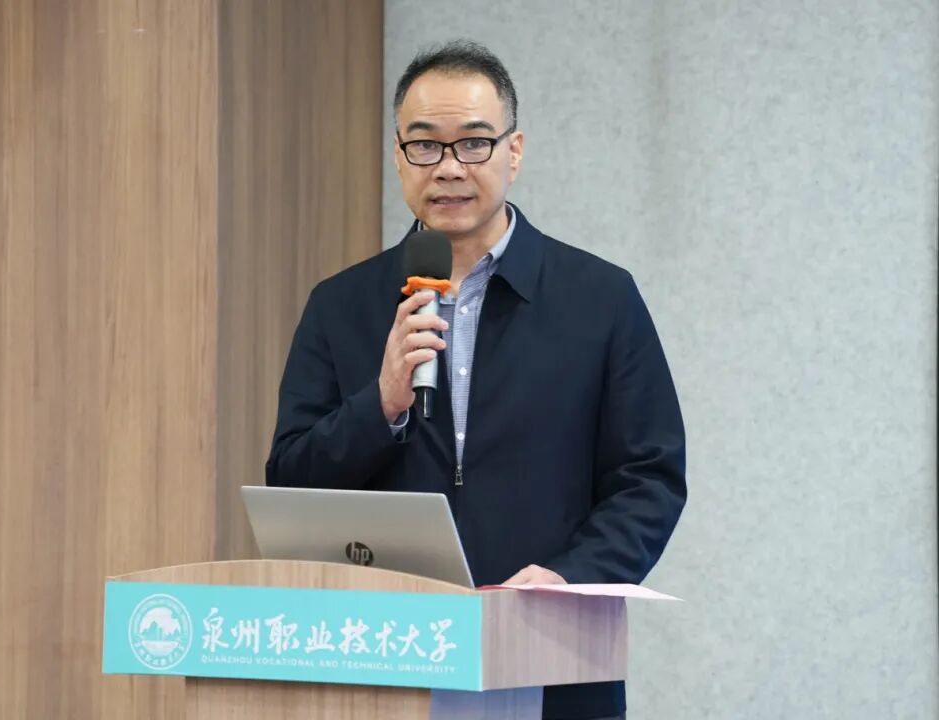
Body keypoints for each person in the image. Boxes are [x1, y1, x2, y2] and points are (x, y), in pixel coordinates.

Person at [265, 40, 686, 720]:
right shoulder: (339, 305)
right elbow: (289, 482)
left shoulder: (600, 298)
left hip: (551, 657)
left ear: (514, 151)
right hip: (384, 663)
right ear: (398, 157)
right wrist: (380, 407)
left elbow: (650, 478)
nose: (449, 167)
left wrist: (570, 576)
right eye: (425, 145)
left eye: (474, 143)